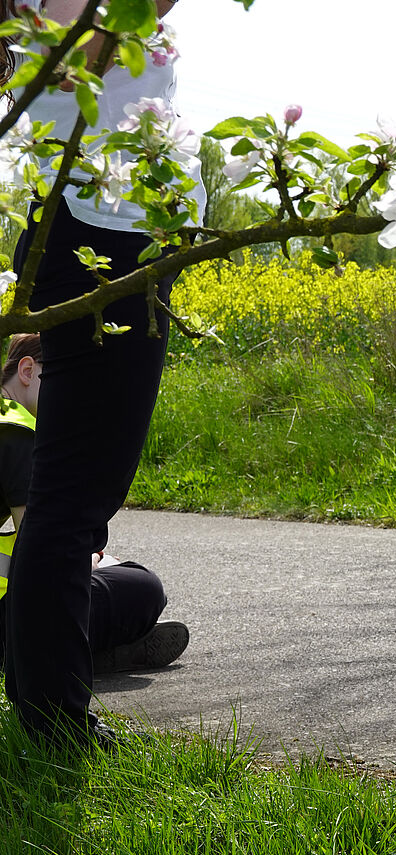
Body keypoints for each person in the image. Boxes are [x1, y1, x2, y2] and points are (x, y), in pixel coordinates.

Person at [1, 0, 203, 745]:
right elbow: (93, 51)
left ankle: (38, 695)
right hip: (103, 236)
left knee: (72, 491)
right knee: (77, 492)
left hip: (94, 231)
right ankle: (53, 720)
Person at [0, 334, 188, 678]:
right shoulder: (18, 435)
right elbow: (41, 560)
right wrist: (92, 560)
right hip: (10, 624)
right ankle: (85, 655)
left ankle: (93, 651)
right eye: (67, 382)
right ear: (27, 371)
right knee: (143, 588)